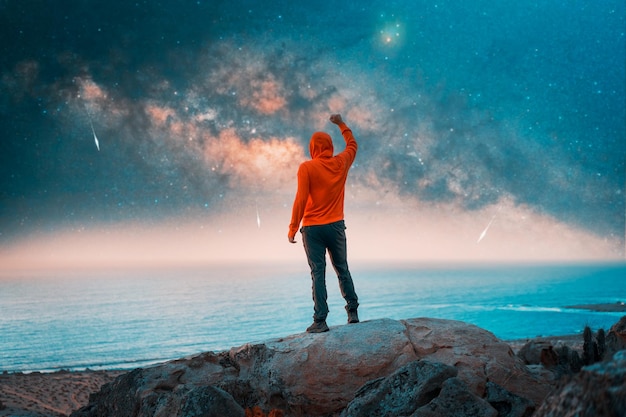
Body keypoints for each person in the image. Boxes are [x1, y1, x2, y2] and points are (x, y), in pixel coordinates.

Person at [288, 114, 359, 333]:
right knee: (342, 269)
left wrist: (292, 228)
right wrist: (340, 124)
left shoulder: (306, 168)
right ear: (329, 146)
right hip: (336, 226)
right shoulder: (341, 162)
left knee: (318, 273)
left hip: (312, 229)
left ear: (312, 148)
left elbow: (300, 198)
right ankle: (353, 313)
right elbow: (353, 144)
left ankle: (320, 321)